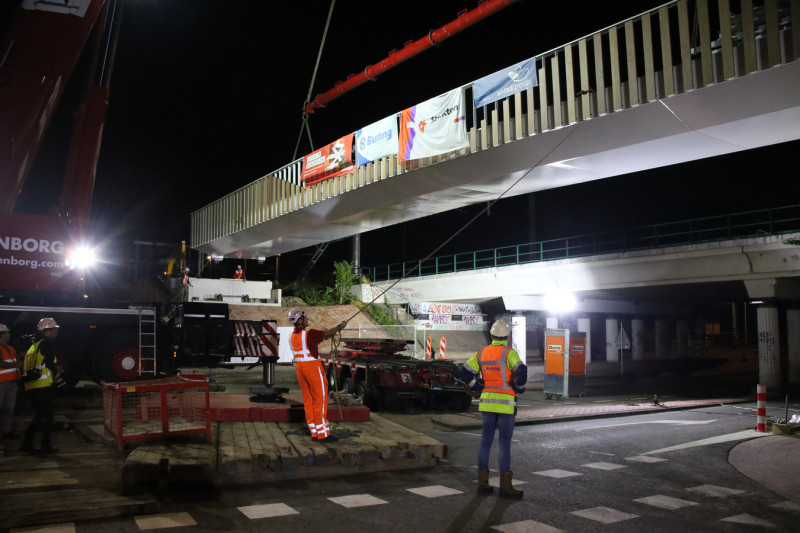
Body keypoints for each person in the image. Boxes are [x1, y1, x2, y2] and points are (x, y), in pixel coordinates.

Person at [460, 319, 528, 499]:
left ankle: (483, 483)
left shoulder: (482, 353)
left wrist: (476, 386)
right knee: (504, 444)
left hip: (487, 403)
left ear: (491, 336)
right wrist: (519, 387)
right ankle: (505, 486)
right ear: (507, 336)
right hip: (506, 405)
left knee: (485, 442)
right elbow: (522, 372)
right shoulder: (509, 353)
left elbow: (464, 372)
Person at [288, 308, 345, 443]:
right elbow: (328, 333)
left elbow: (314, 342)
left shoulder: (292, 337)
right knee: (320, 399)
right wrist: (339, 327)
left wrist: (327, 334)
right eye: (306, 318)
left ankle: (315, 431)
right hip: (312, 369)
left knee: (309, 400)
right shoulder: (310, 334)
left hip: (300, 369)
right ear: (300, 320)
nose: (308, 320)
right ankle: (323, 434)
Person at [20, 318, 61, 454]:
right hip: (43, 386)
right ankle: (45, 445)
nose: (56, 333)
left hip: (32, 386)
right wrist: (57, 376)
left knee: (40, 415)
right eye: (54, 330)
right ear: (46, 332)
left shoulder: (33, 347)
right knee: (47, 416)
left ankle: (27, 442)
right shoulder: (47, 343)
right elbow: (49, 362)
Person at [0, 324, 22, 443]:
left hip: (12, 382)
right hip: (1, 383)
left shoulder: (10, 348)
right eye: (7, 333)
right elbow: (1, 364)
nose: (9, 334)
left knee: (9, 408)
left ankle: (6, 431)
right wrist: (16, 365)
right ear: (2, 334)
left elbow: (18, 359)